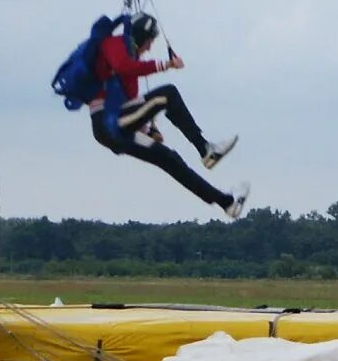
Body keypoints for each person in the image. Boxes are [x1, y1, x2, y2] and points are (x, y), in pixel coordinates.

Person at [89, 13, 247, 218]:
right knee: (168, 94)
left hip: (118, 128)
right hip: (108, 124)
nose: (149, 48)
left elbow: (132, 106)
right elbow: (123, 67)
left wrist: (147, 130)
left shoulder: (125, 73)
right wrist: (166, 65)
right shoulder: (113, 48)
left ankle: (227, 203)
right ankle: (205, 149)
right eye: (149, 42)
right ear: (142, 38)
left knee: (169, 159)